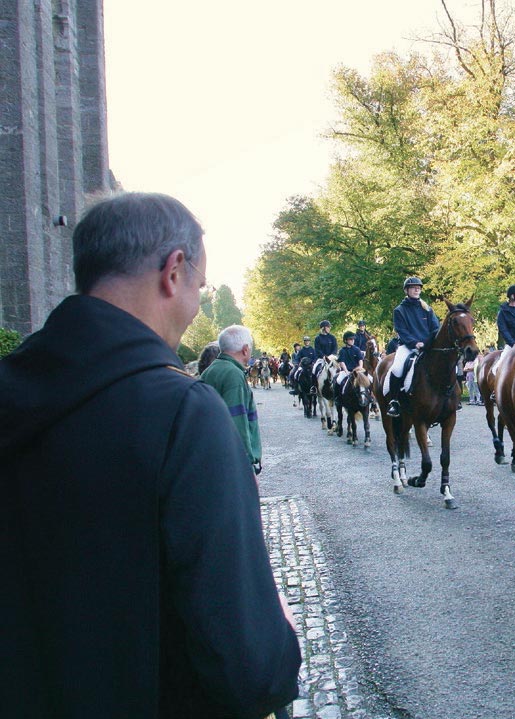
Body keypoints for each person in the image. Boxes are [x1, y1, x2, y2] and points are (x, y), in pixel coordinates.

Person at [0, 192, 300, 718]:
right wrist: (281, 638)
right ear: (174, 271)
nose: (197, 305)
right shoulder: (185, 413)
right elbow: (249, 669)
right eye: (200, 288)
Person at [201, 325, 263, 475]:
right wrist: (246, 464)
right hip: (232, 463)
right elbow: (237, 421)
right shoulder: (233, 374)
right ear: (245, 349)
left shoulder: (211, 370)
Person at [386, 276, 440, 417]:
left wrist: (428, 343)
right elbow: (401, 331)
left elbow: (435, 328)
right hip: (408, 346)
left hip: (427, 346)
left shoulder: (427, 308)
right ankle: (394, 401)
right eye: (413, 288)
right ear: (407, 290)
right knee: (397, 368)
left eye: (419, 288)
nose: (417, 290)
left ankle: (450, 398)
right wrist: (415, 343)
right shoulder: (400, 310)